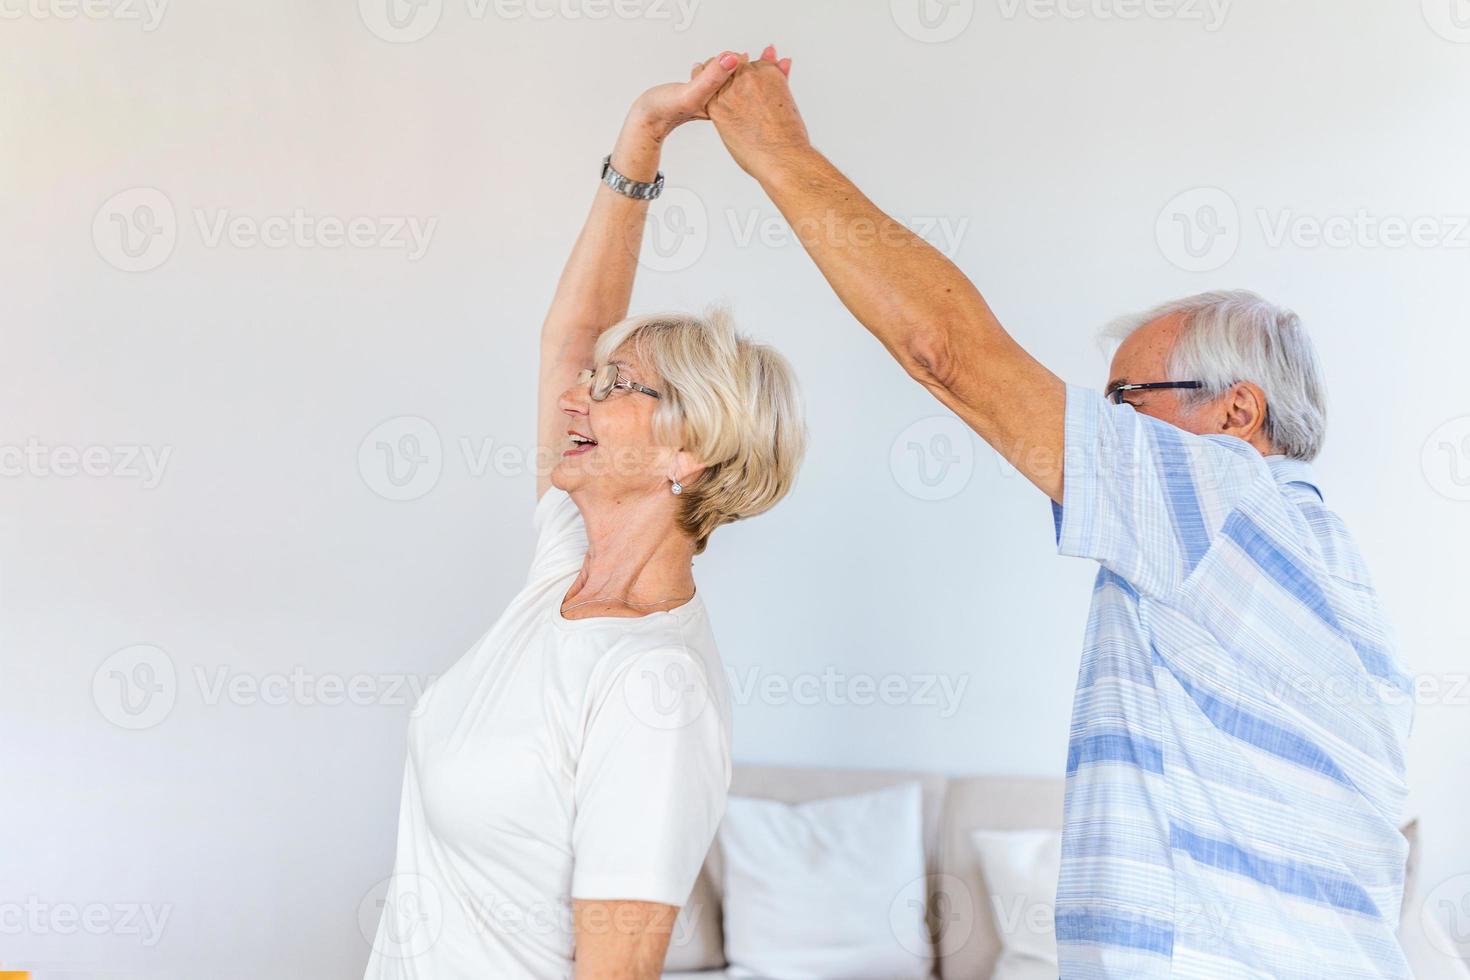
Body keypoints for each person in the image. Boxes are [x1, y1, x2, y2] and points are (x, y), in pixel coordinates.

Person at [701, 46, 1415, 979]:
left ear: (1238, 413)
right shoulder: (1322, 563)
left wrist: (776, 150)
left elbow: (945, 349)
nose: (1108, 427)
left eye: (1130, 401)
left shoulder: (1222, 495)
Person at [363, 51, 805, 980]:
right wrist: (643, 134)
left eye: (614, 386)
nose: (577, 395)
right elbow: (568, 336)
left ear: (689, 450)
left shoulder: (657, 691)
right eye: (591, 380)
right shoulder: (565, 567)